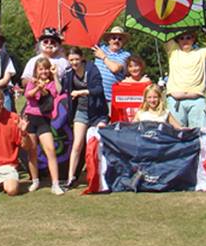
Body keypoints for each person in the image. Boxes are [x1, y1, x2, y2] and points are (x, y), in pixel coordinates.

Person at [62, 47, 107, 190]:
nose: (74, 62)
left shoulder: (92, 69)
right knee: (77, 144)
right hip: (81, 111)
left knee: (95, 143)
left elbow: (99, 89)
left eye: (76, 59)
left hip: (97, 112)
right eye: (71, 60)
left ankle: (100, 175)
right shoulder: (69, 74)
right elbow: (62, 90)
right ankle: (71, 177)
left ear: (81, 58)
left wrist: (82, 91)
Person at [22, 57, 64, 194]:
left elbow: (56, 92)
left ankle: (55, 184)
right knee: (32, 151)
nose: (44, 71)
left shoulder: (51, 83)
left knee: (50, 150)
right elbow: (28, 95)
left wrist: (54, 76)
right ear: (36, 71)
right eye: (41, 69)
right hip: (31, 118)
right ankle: (35, 180)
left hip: (44, 120)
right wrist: (36, 88)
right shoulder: (32, 82)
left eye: (46, 68)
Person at [164, 29, 206, 130]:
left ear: (193, 39)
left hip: (197, 100)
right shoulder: (173, 50)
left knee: (200, 134)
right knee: (176, 135)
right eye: (181, 38)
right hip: (176, 101)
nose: (185, 40)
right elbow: (165, 33)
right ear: (177, 40)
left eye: (188, 37)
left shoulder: (200, 52)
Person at [92, 26, 131, 104]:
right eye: (114, 38)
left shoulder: (125, 55)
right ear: (109, 40)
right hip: (95, 95)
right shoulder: (100, 48)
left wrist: (103, 56)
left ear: (123, 42)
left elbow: (115, 69)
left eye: (120, 39)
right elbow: (91, 36)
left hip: (111, 99)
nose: (116, 40)